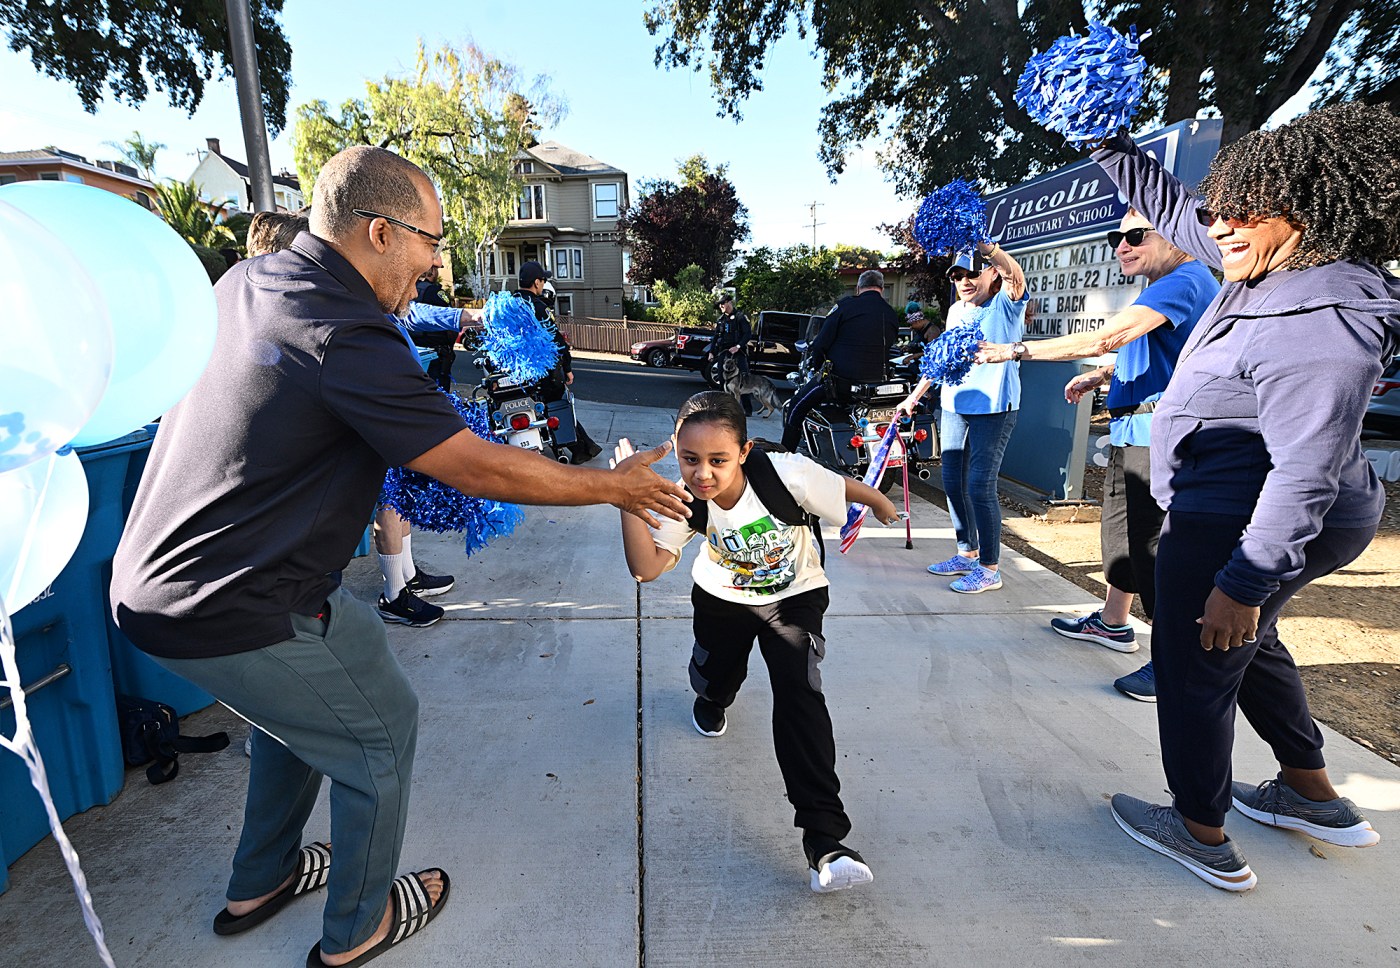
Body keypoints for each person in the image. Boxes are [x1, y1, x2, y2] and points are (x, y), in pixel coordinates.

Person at [111, 146, 690, 966]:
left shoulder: (252, 281)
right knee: (380, 731)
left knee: (309, 706)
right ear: (380, 232)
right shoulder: (344, 333)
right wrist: (611, 487)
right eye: (429, 242)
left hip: (170, 583)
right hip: (236, 598)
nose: (435, 262)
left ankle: (262, 880)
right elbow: (470, 462)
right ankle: (359, 928)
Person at [1087, 103, 1399, 891]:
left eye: (1245, 210)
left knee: (1195, 660)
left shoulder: (1325, 315)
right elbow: (1173, 208)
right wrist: (1104, 137)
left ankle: (1199, 827)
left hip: (1244, 513)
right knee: (1243, 644)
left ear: (1316, 209)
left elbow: (1307, 469)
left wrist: (1246, 579)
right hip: (1236, 502)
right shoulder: (1264, 259)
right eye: (1220, 206)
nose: (1220, 225)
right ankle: (1309, 790)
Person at [614, 390, 900, 892]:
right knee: (717, 676)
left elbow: (838, 486)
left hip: (795, 595)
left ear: (744, 452)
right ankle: (712, 695)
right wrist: (625, 497)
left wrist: (877, 501)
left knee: (800, 691)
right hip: (721, 598)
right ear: (675, 451)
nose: (703, 474)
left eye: (718, 460)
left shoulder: (784, 472)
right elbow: (646, 568)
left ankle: (826, 843)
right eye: (690, 459)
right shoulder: (682, 501)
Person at [976, 211, 1219, 697]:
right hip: (1134, 433)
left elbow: (1109, 336)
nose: (1122, 246)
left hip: (1159, 439)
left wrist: (1011, 351)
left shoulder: (1186, 279)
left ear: (1177, 236)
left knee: (1156, 554)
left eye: (1135, 235)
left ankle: (1176, 666)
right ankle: (1114, 622)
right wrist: (1102, 376)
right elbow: (1158, 355)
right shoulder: (1169, 284)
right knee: (1124, 543)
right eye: (1116, 237)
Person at [896, 242, 1028, 594]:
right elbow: (941, 359)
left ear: (991, 272)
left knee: (980, 486)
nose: (965, 281)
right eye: (957, 275)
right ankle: (966, 553)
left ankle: (990, 568)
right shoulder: (956, 311)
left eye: (973, 272)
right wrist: (914, 397)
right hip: (955, 406)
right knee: (952, 483)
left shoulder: (1006, 304)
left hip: (994, 409)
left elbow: (1015, 276)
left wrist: (987, 246)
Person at [781, 269, 899, 451]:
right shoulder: (890, 313)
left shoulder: (846, 306)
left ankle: (784, 454)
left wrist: (818, 365)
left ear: (859, 288)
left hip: (842, 383)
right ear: (882, 288)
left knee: (796, 405)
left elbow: (821, 342)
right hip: (876, 384)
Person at [515, 260, 603, 464]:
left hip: (517, 372)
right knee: (558, 406)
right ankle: (581, 449)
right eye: (543, 280)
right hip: (543, 372)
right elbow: (556, 341)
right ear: (537, 282)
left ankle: (587, 446)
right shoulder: (538, 307)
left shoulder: (509, 304)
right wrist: (568, 367)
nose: (543, 284)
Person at [411, 266, 457, 392]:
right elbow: (451, 320)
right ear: (430, 271)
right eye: (436, 269)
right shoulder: (435, 292)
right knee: (440, 394)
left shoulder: (409, 290)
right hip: (436, 354)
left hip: (414, 353)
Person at [708, 293, 754, 414]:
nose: (721, 306)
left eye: (723, 303)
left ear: (729, 302)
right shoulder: (721, 320)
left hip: (739, 352)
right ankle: (725, 407)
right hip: (724, 352)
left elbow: (747, 334)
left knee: (743, 380)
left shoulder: (740, 317)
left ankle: (747, 409)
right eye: (719, 305)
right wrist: (711, 352)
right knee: (722, 380)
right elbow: (715, 337)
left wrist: (738, 346)